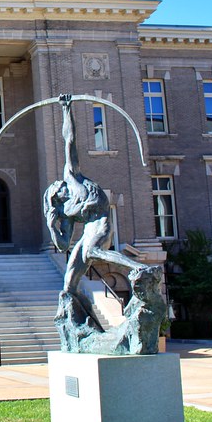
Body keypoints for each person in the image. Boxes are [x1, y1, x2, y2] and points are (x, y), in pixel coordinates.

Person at [43, 95, 152, 320]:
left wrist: (66, 109)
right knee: (70, 278)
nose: (59, 199)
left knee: (92, 251)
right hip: (88, 235)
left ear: (59, 188)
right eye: (56, 201)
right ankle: (75, 318)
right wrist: (51, 225)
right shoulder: (65, 210)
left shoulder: (72, 177)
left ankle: (137, 267)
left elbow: (69, 141)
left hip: (101, 225)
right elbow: (63, 245)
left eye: (57, 195)